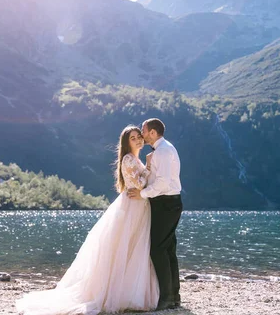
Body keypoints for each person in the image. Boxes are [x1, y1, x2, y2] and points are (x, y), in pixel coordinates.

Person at [16, 125, 158, 314]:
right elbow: (138, 184)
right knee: (125, 248)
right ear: (126, 142)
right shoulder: (128, 159)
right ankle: (121, 293)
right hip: (132, 207)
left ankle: (130, 292)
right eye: (133, 138)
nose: (138, 140)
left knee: (133, 249)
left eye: (139, 137)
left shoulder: (135, 159)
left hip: (138, 206)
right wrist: (149, 168)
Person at [127, 118, 183, 310]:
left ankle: (167, 298)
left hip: (166, 204)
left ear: (152, 132)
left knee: (157, 250)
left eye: (143, 130)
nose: (141, 134)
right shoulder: (162, 150)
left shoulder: (164, 151)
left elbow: (163, 183)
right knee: (168, 250)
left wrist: (142, 194)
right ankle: (174, 297)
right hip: (168, 203)